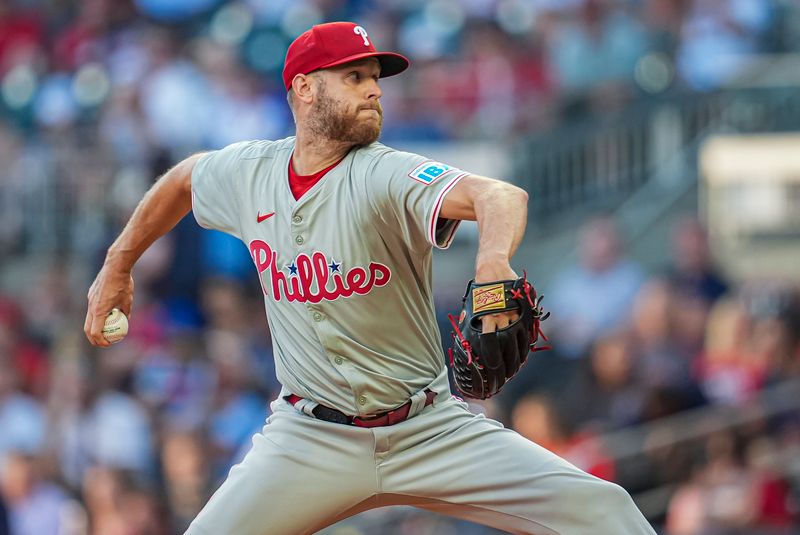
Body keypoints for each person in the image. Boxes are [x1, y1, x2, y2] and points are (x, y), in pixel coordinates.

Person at [85, 21, 655, 535]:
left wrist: (491, 265)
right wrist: (118, 264)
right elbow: (185, 180)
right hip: (309, 438)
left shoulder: (387, 173)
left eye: (375, 78)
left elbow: (499, 194)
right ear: (304, 88)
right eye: (354, 76)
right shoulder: (250, 172)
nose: (374, 89)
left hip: (429, 428)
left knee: (606, 513)